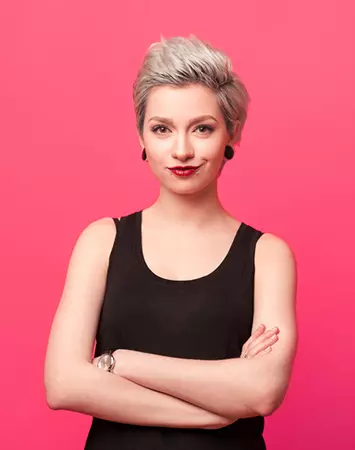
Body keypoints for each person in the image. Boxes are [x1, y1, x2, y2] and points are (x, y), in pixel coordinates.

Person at [43, 35, 298, 450]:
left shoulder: (268, 255)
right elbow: (63, 384)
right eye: (162, 129)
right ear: (141, 138)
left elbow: (262, 391)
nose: (181, 150)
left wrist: (123, 363)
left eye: (202, 128)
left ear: (230, 137)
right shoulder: (101, 241)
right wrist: (212, 412)